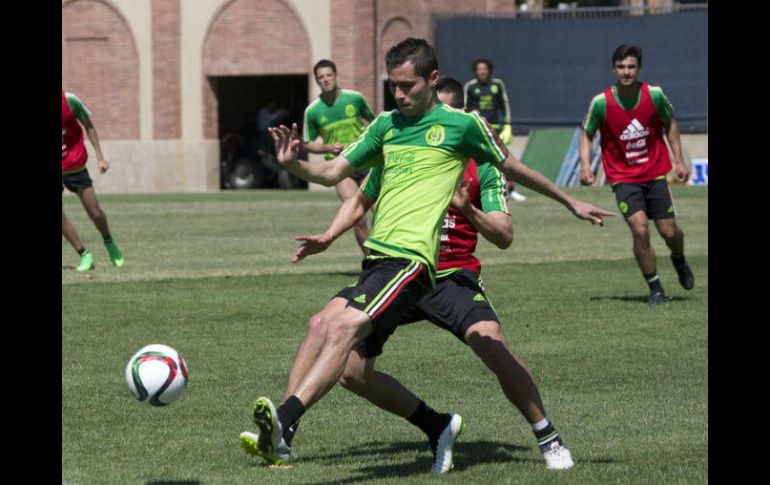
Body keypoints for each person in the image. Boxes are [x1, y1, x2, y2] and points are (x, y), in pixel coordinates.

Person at [241, 38, 613, 473]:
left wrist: (569, 203)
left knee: (488, 345)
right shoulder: (386, 128)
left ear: (433, 83)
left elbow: (513, 184)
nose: (399, 95)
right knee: (341, 354)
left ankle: (547, 436)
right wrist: (294, 166)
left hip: (439, 272)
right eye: (393, 87)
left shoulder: (466, 134)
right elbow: (339, 178)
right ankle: (435, 427)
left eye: (407, 87)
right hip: (384, 266)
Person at [579, 44, 694, 304]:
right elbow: (586, 133)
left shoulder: (653, 95)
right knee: (640, 229)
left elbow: (670, 123)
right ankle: (655, 288)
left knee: (670, 232)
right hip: (622, 178)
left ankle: (679, 259)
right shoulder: (601, 102)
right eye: (621, 67)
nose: (626, 72)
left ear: (639, 68)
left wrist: (679, 160)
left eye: (631, 67)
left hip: (655, 175)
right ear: (613, 69)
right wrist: (586, 166)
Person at [303, 59, 376, 256]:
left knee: (381, 210)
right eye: (321, 77)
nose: (326, 80)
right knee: (357, 217)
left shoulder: (355, 99)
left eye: (329, 75)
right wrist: (327, 147)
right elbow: (307, 142)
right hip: (340, 167)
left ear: (336, 76)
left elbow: (374, 123)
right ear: (317, 81)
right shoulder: (313, 111)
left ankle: (390, 255)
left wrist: (366, 140)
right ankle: (371, 262)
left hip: (365, 161)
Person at [62, 90, 124, 271]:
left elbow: (88, 125)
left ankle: (109, 242)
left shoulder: (69, 100)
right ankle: (84, 254)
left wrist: (100, 157)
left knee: (94, 212)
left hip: (75, 164)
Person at [464, 57, 525, 202]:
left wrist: (508, 125)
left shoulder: (497, 85)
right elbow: (465, 107)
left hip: (496, 128)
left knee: (504, 159)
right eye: (479, 69)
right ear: (475, 71)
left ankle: (511, 190)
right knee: (479, 161)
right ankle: (480, 189)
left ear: (489, 70)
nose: (482, 71)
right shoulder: (470, 87)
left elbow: (505, 104)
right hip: (478, 129)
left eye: (484, 69)